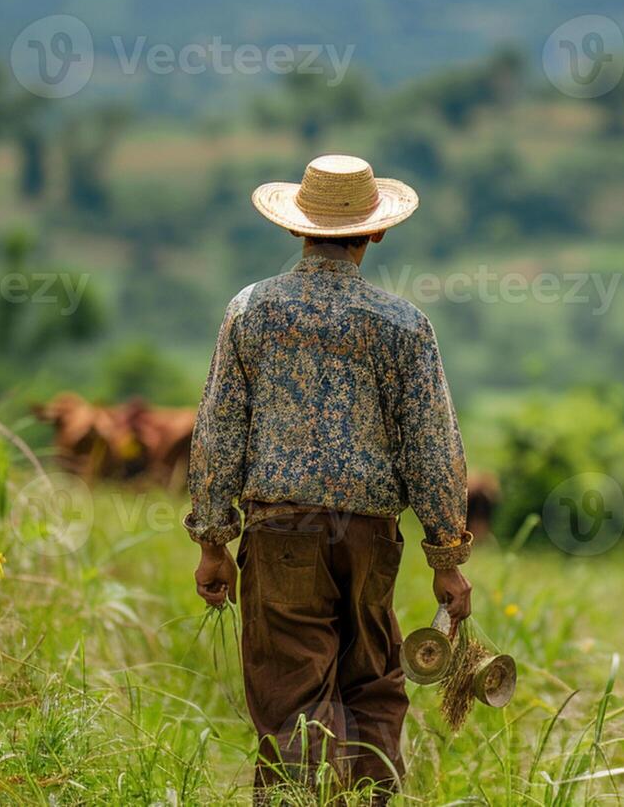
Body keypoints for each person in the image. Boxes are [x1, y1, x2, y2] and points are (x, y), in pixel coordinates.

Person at [185, 153, 473, 800]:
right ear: (377, 231)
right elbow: (432, 448)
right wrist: (446, 558)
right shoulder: (403, 325)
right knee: (371, 687)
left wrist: (212, 541)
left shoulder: (251, 311)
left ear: (295, 229)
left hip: (280, 532)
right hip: (370, 538)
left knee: (291, 695)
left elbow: (219, 430)